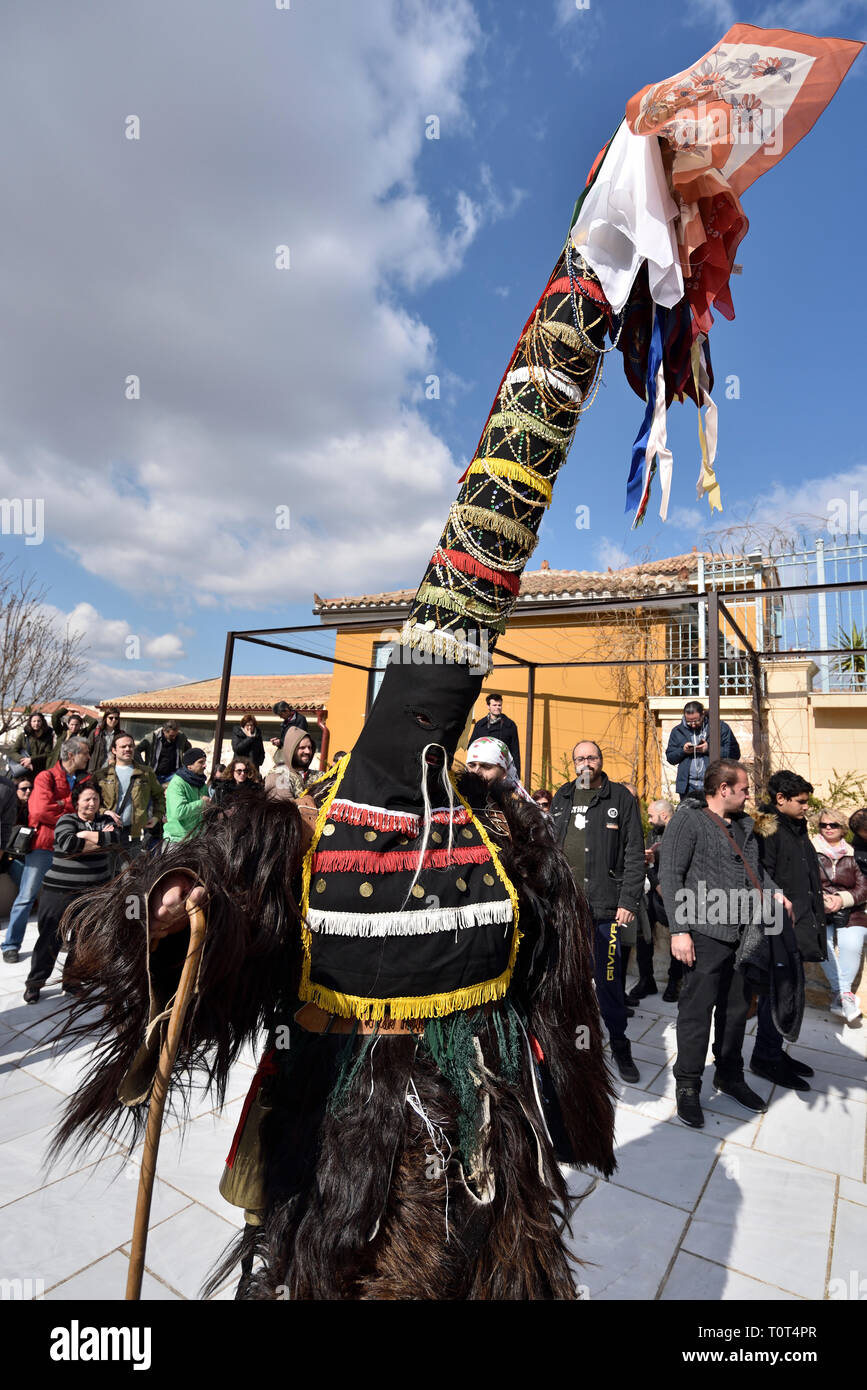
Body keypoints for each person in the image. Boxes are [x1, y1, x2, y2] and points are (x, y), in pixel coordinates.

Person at [659, 759, 783, 1128]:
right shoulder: (688, 819)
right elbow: (670, 873)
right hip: (703, 933)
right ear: (723, 788)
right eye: (744, 788)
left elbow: (757, 873)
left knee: (735, 1012)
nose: (749, 794)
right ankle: (688, 1085)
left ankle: (729, 1074)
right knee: (696, 1013)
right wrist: (679, 930)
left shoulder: (745, 825)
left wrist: (778, 897)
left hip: (745, 935)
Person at [550, 740, 645, 1083]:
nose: (585, 763)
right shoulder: (562, 797)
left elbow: (635, 852)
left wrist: (628, 901)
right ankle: (578, 1045)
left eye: (591, 757)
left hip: (606, 909)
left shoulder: (620, 797)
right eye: (579, 758)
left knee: (608, 981)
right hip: (566, 912)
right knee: (571, 982)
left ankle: (619, 1043)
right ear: (573, 763)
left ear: (600, 761)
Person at [751, 769, 826, 1091]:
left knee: (787, 993)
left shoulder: (796, 826)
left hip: (799, 923)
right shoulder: (767, 828)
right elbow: (761, 877)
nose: (806, 807)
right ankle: (765, 1058)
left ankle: (774, 1052)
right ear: (780, 799)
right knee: (775, 994)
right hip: (779, 926)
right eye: (801, 801)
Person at [22, 782, 121, 1004]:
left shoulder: (106, 820)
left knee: (83, 939)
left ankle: (72, 981)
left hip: (94, 891)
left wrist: (85, 834)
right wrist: (96, 839)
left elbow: (114, 840)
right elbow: (68, 843)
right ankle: (35, 984)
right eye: (87, 799)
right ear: (76, 801)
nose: (92, 803)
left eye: (95, 798)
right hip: (59, 891)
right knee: (50, 938)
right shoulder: (66, 820)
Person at [1, 737, 91, 963]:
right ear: (72, 755)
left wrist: (62, 806)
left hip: (68, 849)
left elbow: (87, 811)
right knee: (27, 897)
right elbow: (41, 811)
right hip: (43, 847)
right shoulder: (45, 777)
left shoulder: (82, 780)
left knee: (66, 899)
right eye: (85, 753)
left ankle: (59, 939)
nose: (89, 757)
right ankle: (11, 944)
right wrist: (70, 814)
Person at [812, 807, 867, 1024]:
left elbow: (864, 888)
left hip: (850, 910)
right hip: (820, 910)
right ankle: (844, 995)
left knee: (852, 944)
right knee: (820, 941)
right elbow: (804, 882)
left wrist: (841, 899)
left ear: (842, 828)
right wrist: (823, 901)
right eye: (823, 824)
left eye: (833, 824)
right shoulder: (809, 850)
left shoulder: (855, 854)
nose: (828, 828)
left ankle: (839, 996)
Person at [627, 799, 683, 1004]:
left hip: (675, 894)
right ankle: (646, 978)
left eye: (651, 816)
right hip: (656, 891)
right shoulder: (654, 833)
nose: (649, 820)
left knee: (678, 932)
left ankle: (674, 981)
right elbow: (651, 866)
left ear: (665, 816)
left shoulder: (680, 835)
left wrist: (661, 886)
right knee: (643, 929)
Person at [96, 734, 166, 859]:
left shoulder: (146, 773)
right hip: (107, 832)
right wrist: (104, 811)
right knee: (106, 873)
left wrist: (157, 816)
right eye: (123, 746)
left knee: (130, 874)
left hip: (133, 834)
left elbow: (159, 796)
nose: (128, 749)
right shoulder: (102, 775)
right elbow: (91, 802)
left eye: (131, 746)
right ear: (114, 750)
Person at [666, 701, 741, 802]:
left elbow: (734, 754)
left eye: (696, 721)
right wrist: (683, 751)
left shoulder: (720, 727)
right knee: (689, 817)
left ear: (703, 714)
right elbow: (670, 757)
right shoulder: (677, 731)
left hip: (714, 785)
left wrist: (709, 749)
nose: (693, 725)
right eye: (689, 722)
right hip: (688, 787)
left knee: (712, 816)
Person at [465, 736, 534, 803]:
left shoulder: (515, 807)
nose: (476, 771)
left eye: (486, 766)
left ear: (504, 772)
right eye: (472, 765)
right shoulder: (457, 801)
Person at [163, 748, 210, 843]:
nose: (205, 765)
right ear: (189, 766)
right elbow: (178, 812)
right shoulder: (178, 783)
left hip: (198, 838)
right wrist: (202, 804)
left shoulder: (202, 784)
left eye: (205, 762)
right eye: (201, 762)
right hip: (177, 840)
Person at [470, 694, 521, 777]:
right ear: (488, 706)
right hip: (482, 769)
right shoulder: (480, 725)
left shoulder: (510, 725)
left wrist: (516, 775)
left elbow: (515, 752)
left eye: (499, 705)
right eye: (494, 705)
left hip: (501, 770)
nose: (497, 707)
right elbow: (471, 746)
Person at [1, 774, 33, 893]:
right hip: (8, 855)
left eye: (31, 788)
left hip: (25, 852)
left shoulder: (32, 807)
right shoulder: (8, 806)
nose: (28, 791)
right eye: (24, 789)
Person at [265, 728, 316, 800]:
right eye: (302, 748)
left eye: (310, 747)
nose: (308, 751)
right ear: (291, 750)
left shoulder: (319, 776)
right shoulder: (278, 776)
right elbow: (285, 807)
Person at [10, 711, 55, 776]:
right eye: (34, 721)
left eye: (38, 721)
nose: (36, 723)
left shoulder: (48, 737)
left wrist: (31, 759)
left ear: (42, 722)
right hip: (22, 770)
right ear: (30, 722)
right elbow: (13, 752)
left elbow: (48, 754)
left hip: (39, 770)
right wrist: (24, 761)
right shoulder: (23, 736)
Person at [88, 708, 122, 773]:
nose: (114, 720)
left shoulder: (121, 735)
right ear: (105, 718)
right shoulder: (96, 733)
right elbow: (87, 751)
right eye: (111, 718)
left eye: (116, 718)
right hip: (95, 771)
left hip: (112, 771)